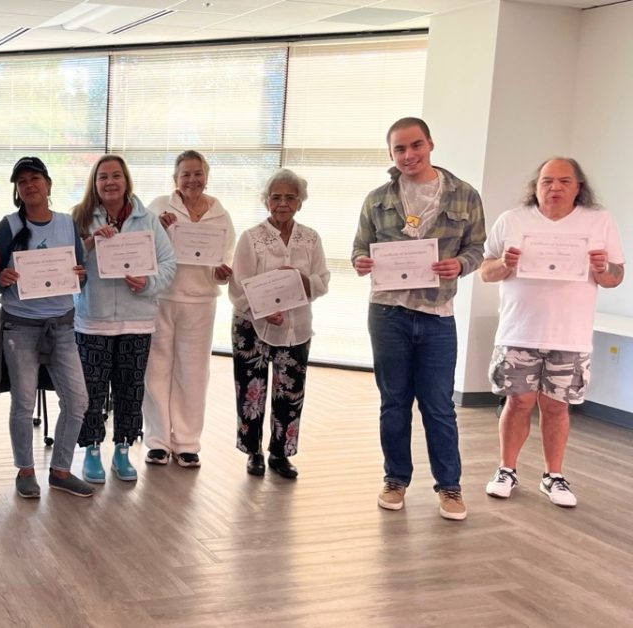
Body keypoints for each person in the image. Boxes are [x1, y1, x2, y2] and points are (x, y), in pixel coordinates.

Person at [351, 117, 486, 521]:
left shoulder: (464, 195)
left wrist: (460, 264)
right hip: (388, 313)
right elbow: (359, 249)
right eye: (399, 149)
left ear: (430, 144)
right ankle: (395, 479)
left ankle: (450, 487)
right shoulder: (377, 199)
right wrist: (360, 262)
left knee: (439, 405)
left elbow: (477, 248)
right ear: (391, 153)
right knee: (393, 403)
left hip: (437, 315)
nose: (408, 155)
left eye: (415, 146)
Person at [479, 157, 624, 508]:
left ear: (578, 187)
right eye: (546, 181)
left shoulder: (598, 221)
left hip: (569, 335)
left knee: (557, 408)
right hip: (518, 331)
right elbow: (485, 270)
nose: (554, 187)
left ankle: (553, 476)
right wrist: (505, 265)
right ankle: (506, 470)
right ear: (536, 185)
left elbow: (616, 276)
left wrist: (602, 269)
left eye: (563, 181)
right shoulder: (511, 220)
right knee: (517, 403)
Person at [0, 156, 95, 499]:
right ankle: (26, 470)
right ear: (17, 191)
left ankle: (61, 470)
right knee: (24, 402)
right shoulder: (8, 226)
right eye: (22, 182)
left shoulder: (67, 223)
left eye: (35, 179)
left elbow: (82, 274)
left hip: (62, 326)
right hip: (20, 327)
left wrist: (80, 275)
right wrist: (0, 279)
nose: (29, 185)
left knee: (78, 400)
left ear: (48, 184)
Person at [72, 154, 177, 484]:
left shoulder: (148, 220)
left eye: (116, 175)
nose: (110, 182)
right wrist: (90, 244)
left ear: (126, 180)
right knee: (92, 391)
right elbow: (68, 265)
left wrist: (148, 284)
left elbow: (168, 264)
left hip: (137, 321)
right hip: (93, 320)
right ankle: (91, 450)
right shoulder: (80, 217)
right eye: (103, 177)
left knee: (130, 390)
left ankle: (122, 449)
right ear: (95, 183)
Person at [229, 169, 329, 479]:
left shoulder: (310, 238)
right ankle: (254, 453)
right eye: (276, 197)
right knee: (251, 391)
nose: (282, 203)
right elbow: (238, 285)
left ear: (300, 202)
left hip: (295, 327)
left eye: (290, 197)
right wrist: (260, 310)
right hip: (252, 326)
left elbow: (323, 281)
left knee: (291, 393)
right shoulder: (251, 237)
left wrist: (302, 279)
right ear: (266, 201)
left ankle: (280, 454)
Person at [143, 150, 235, 468]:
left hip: (200, 302)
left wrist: (223, 272)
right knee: (156, 370)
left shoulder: (220, 214)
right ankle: (157, 441)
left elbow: (227, 257)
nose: (192, 179)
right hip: (161, 298)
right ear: (175, 179)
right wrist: (159, 227)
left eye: (198, 173)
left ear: (206, 176)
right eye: (185, 174)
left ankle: (186, 442)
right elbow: (140, 246)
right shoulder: (158, 207)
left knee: (193, 373)